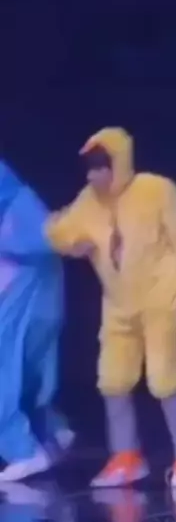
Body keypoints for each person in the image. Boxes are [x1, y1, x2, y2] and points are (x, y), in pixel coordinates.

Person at [45, 127, 176, 489]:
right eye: (90, 169)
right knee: (113, 379)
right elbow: (61, 229)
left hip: (161, 296)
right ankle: (126, 456)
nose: (94, 176)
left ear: (119, 163)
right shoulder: (89, 201)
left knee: (165, 380)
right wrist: (72, 242)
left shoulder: (155, 190)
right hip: (118, 303)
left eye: (101, 167)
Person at [0, 160, 72, 483]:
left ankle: (25, 450)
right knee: (29, 370)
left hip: (24, 283)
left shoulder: (18, 213)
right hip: (33, 282)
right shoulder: (22, 205)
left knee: (13, 368)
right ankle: (50, 434)